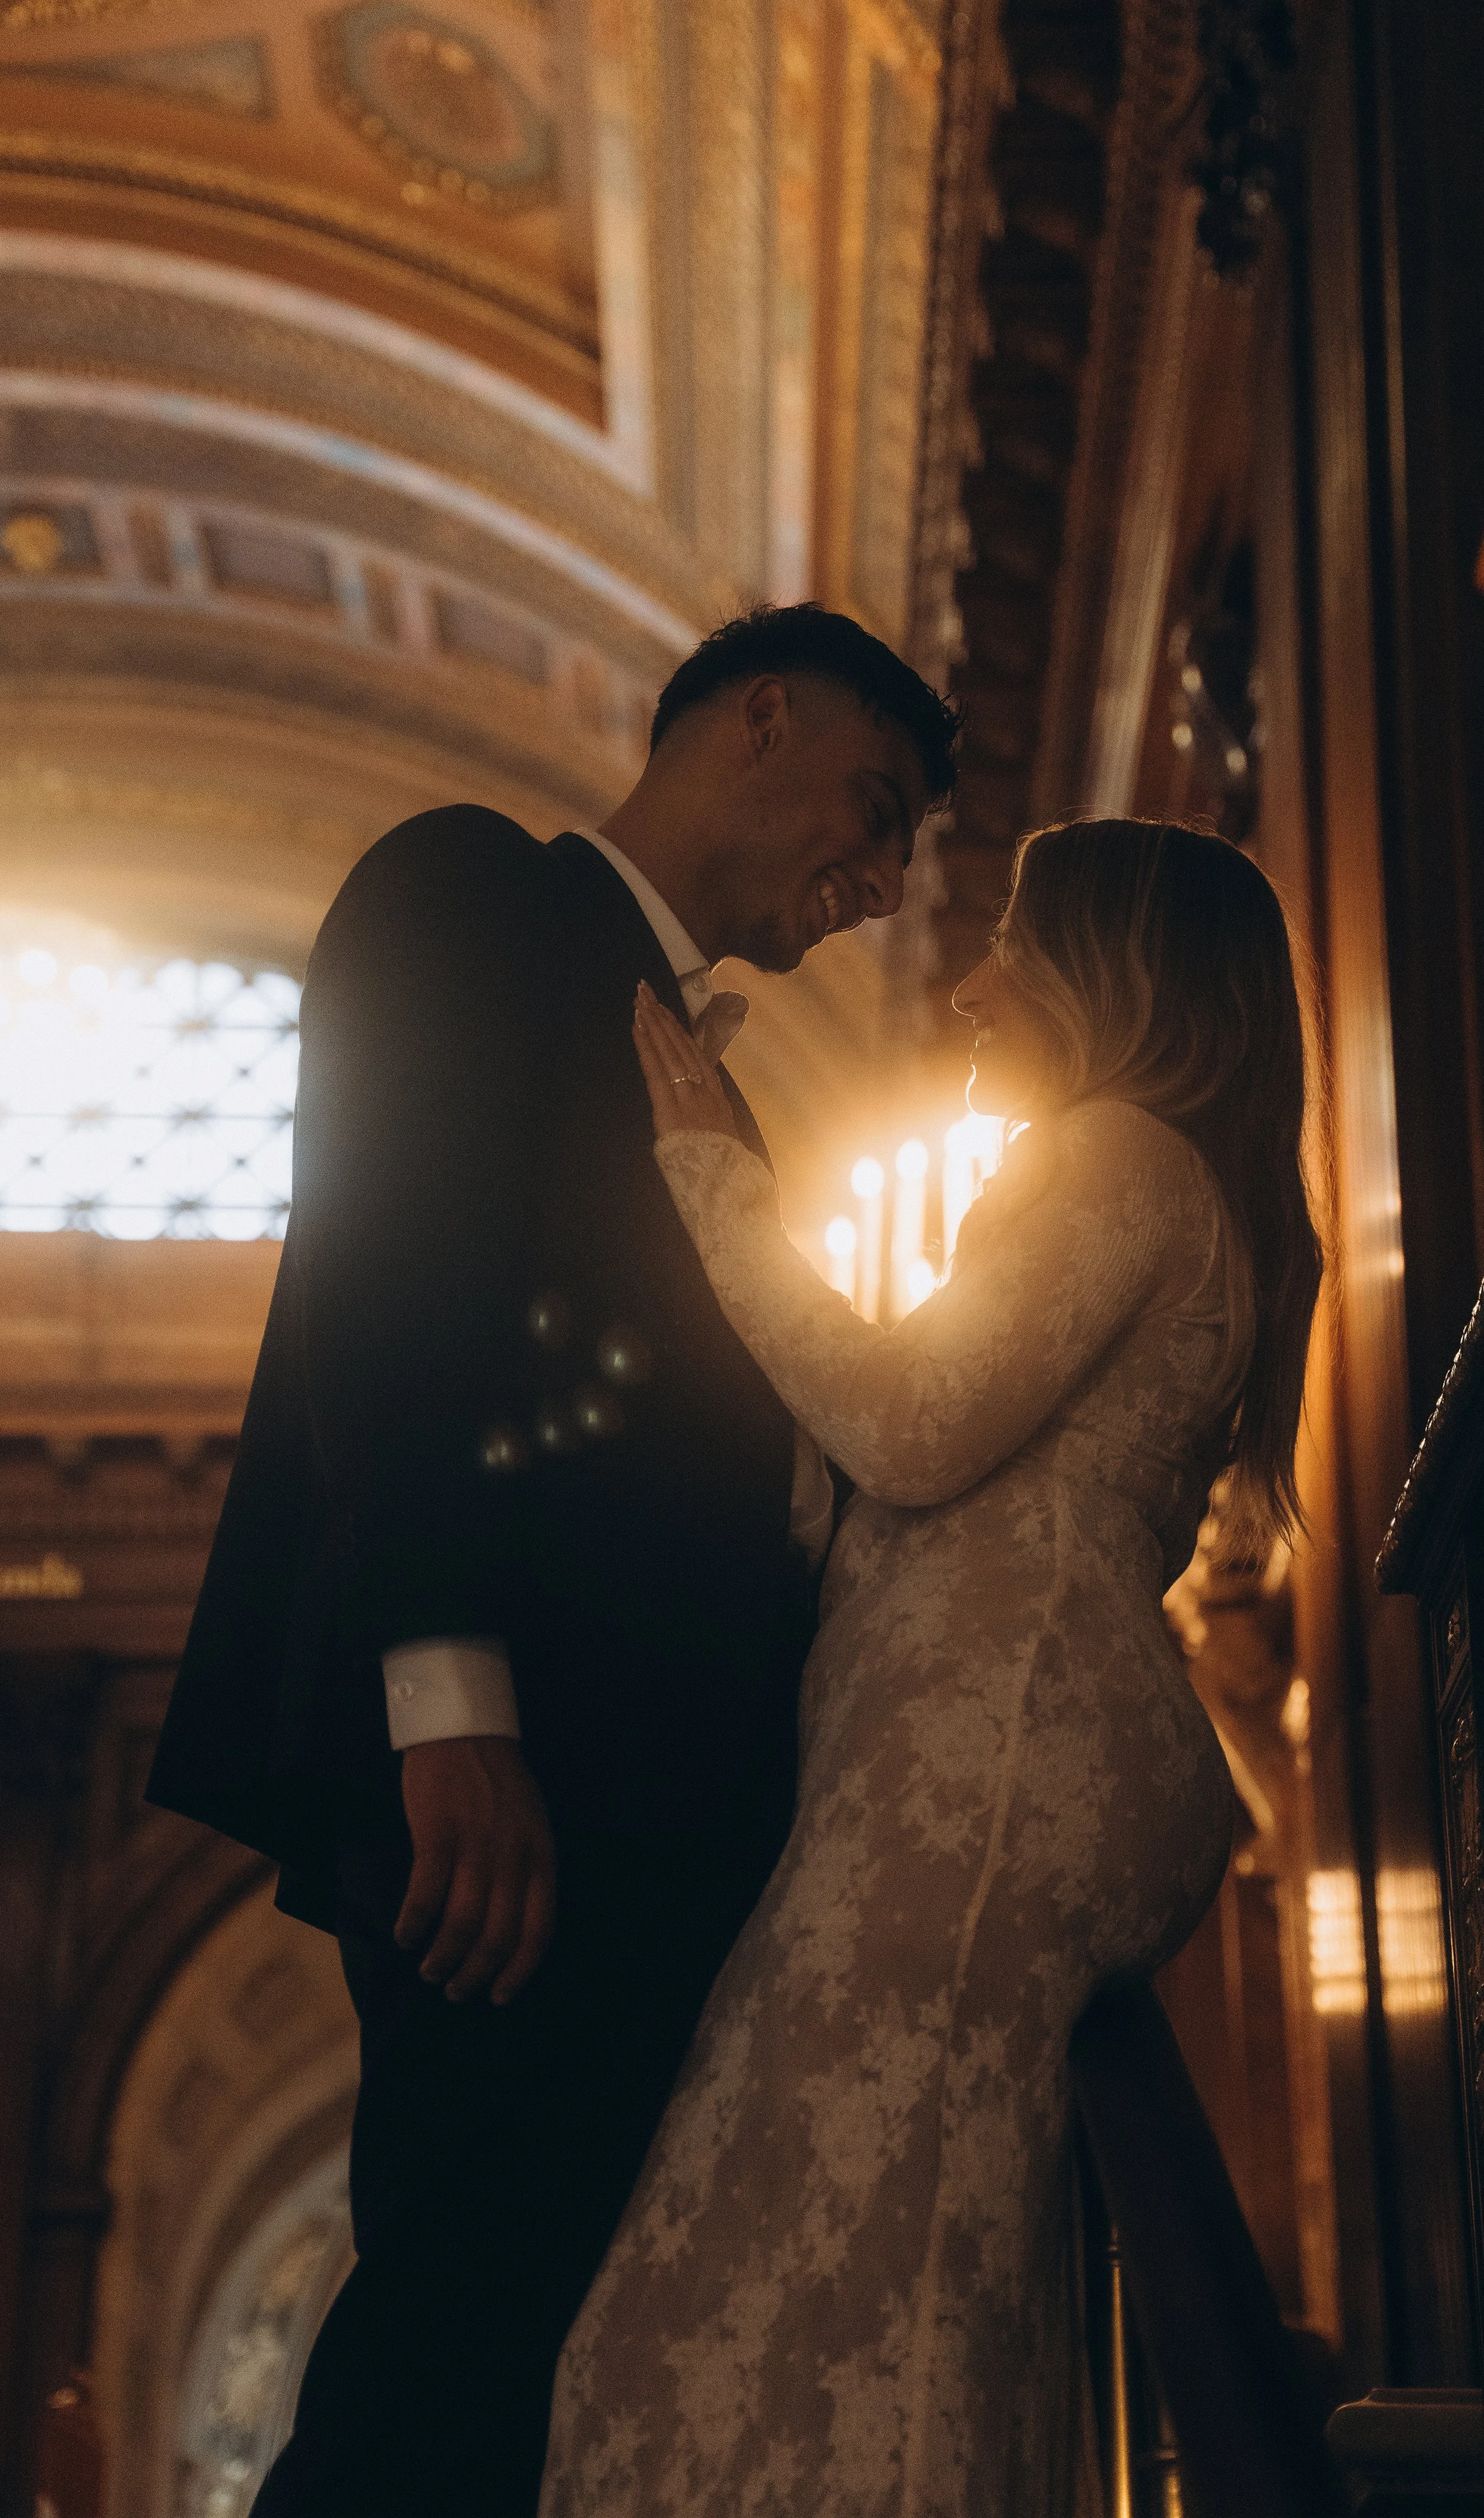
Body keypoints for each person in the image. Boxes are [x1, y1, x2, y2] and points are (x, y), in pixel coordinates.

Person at [144, 604, 960, 2515]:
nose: (882, 877)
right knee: (462, 2324)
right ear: (755, 718)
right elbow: (399, 1283)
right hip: (523, 1784)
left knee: (548, 2342)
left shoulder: (704, 1061)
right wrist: (456, 1714)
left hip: (650, 1798)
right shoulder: (472, 899)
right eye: (875, 805)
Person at [539, 817, 1325, 2518]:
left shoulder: (1115, 1157)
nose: (971, 989)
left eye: (1014, 948)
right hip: (989, 1744)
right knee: (916, 2276)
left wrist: (710, 1177)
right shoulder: (1171, 1180)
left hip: (983, 1757)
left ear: (1105, 971)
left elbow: (903, 1428)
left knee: (765, 2301)